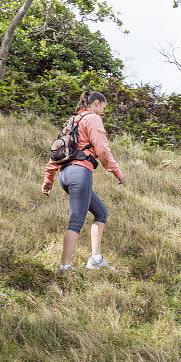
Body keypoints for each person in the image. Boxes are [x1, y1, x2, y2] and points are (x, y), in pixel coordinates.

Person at [42, 90, 125, 274]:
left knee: (101, 212)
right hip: (80, 172)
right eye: (103, 108)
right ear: (96, 103)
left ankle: (95, 260)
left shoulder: (71, 121)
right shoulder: (93, 119)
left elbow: (57, 150)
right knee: (76, 221)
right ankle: (64, 267)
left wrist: (49, 179)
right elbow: (102, 149)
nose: (103, 112)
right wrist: (116, 171)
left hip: (65, 174)